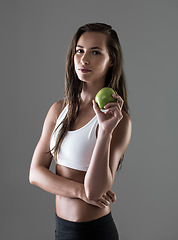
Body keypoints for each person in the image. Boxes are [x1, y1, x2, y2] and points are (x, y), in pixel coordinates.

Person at [29, 22, 132, 240]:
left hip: (94, 232)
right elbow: (35, 173)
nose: (84, 59)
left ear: (111, 60)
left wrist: (105, 132)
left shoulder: (118, 121)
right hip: (62, 230)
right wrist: (80, 191)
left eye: (95, 52)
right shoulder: (58, 110)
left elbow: (95, 192)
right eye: (79, 50)